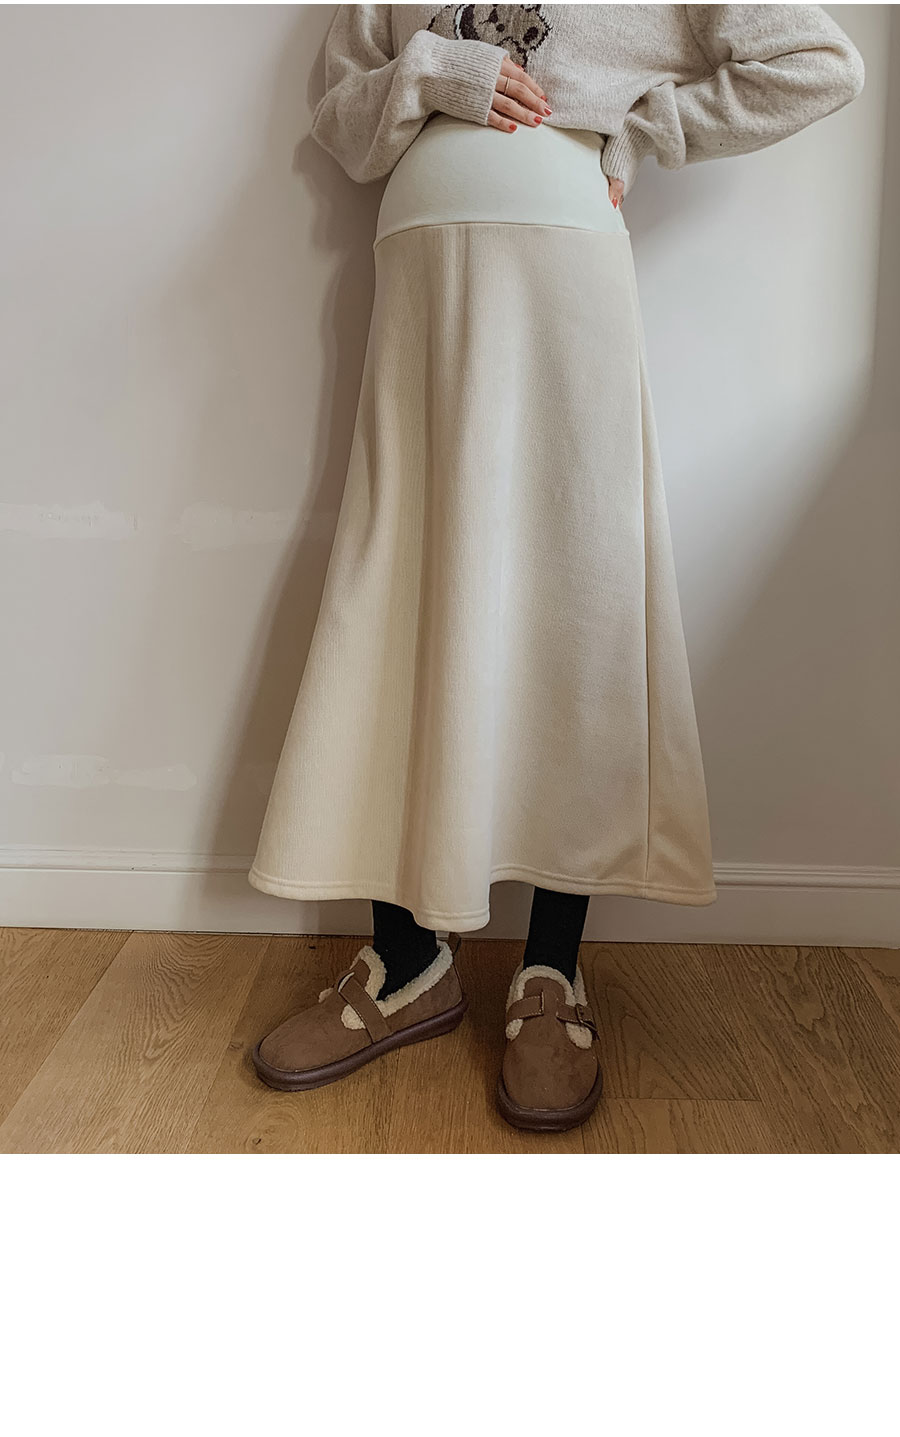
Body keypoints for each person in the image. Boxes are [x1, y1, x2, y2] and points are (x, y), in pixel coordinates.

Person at [247, 4, 865, 1133]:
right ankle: (406, 960)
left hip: (565, 272)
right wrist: (439, 72)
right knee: (403, 592)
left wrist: (644, 129)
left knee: (576, 595)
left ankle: (552, 967)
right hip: (420, 291)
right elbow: (344, 117)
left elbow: (820, 62)